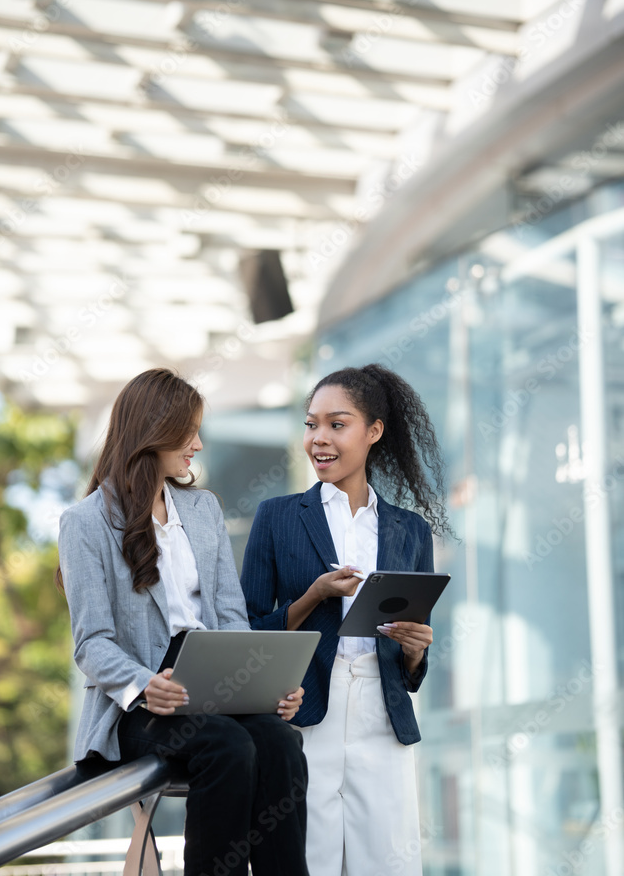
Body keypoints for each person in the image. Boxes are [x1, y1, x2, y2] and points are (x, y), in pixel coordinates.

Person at [58, 368, 309, 876]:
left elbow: (231, 616)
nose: (197, 443)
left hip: (213, 672)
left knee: (283, 742)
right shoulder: (84, 522)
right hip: (142, 698)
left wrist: (266, 687)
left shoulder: (203, 509)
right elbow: (92, 644)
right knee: (227, 746)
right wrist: (145, 684)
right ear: (154, 431)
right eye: (188, 431)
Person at [241, 363, 451, 876]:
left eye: (337, 424)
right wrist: (314, 595)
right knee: (305, 857)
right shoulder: (277, 516)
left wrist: (416, 648)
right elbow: (245, 630)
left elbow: (412, 663)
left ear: (373, 432)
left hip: (383, 712)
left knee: (387, 861)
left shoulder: (410, 530)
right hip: (305, 708)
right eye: (311, 424)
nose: (319, 439)